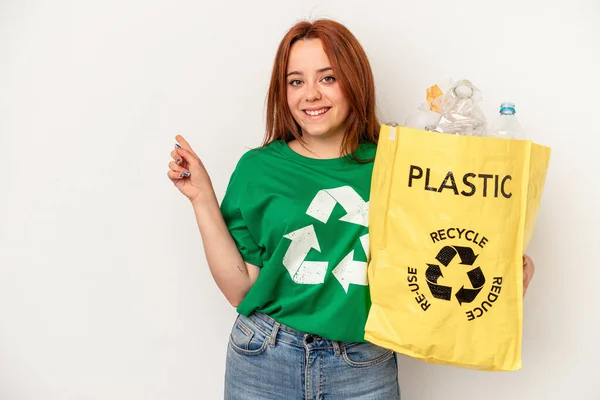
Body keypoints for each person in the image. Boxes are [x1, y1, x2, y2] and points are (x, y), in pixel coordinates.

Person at [166, 19, 536, 400]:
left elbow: (435, 258)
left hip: (362, 364)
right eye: (296, 81)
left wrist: (496, 284)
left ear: (354, 81)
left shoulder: (402, 165)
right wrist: (202, 198)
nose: (310, 94)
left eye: (327, 78)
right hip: (263, 356)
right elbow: (241, 287)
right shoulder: (258, 169)